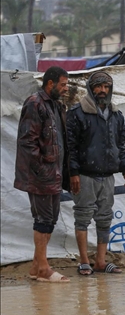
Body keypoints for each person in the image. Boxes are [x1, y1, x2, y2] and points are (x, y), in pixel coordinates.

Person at [66, 71, 125, 275]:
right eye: (98, 86)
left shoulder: (116, 115)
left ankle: (101, 262)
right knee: (83, 216)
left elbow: (120, 146)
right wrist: (73, 172)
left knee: (105, 218)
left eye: (106, 87)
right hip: (85, 175)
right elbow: (70, 147)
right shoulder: (77, 113)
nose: (103, 90)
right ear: (91, 88)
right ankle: (84, 261)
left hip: (108, 176)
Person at [14, 66, 71, 283]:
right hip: (41, 175)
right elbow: (27, 142)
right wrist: (42, 170)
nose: (66, 89)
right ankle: (43, 269)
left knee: (50, 219)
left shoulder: (55, 105)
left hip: (53, 173)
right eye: (63, 84)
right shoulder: (35, 103)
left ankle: (36, 266)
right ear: (50, 83)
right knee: (43, 219)